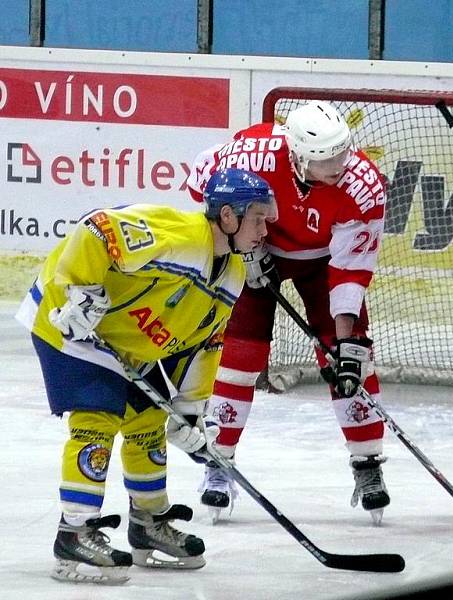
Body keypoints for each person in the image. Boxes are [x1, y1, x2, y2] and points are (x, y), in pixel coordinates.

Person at [15, 169, 277, 584]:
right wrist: (77, 290)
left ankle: (147, 524)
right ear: (227, 215)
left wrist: (190, 410)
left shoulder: (232, 274)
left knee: (148, 422)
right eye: (259, 218)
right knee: (97, 418)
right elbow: (97, 230)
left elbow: (205, 344)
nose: (266, 229)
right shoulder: (181, 236)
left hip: (126, 343)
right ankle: (75, 531)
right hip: (69, 323)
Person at [186, 100, 390, 524]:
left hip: (322, 263)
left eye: (342, 152)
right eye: (325, 158)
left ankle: (368, 465)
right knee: (239, 360)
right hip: (257, 249)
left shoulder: (362, 184)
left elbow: (350, 268)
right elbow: (201, 185)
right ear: (297, 155)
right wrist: (245, 247)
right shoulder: (253, 154)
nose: (338, 164)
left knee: (350, 358)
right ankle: (218, 465)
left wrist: (346, 339)